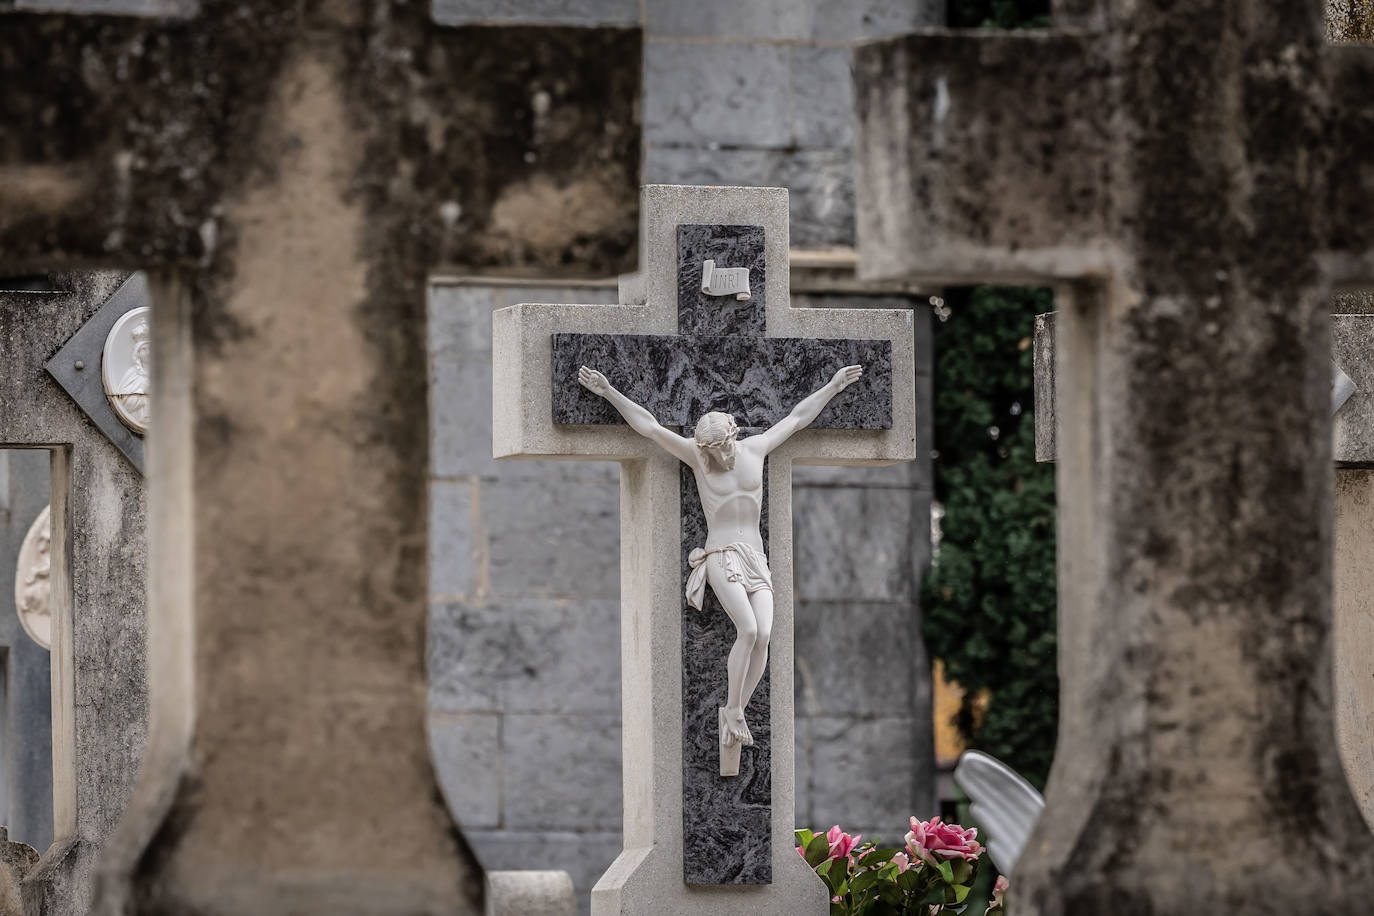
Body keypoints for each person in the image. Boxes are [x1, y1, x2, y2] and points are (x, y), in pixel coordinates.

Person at [577, 363, 864, 753]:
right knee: (746, 630)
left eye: (722, 446)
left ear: (733, 435)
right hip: (721, 554)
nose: (719, 456)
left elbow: (797, 418)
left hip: (756, 557)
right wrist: (608, 392)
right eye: (711, 451)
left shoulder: (756, 448)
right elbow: (650, 427)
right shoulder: (698, 458)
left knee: (764, 634)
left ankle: (735, 711)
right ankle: (732, 710)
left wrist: (831, 386)